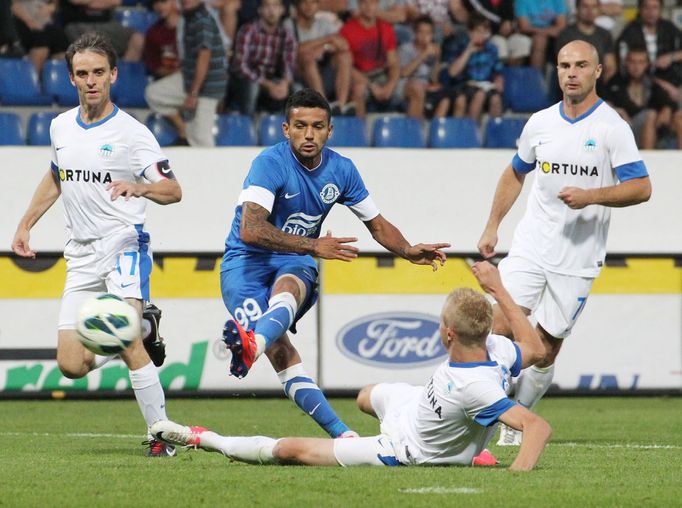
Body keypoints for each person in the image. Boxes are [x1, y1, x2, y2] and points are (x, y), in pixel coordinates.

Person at [152, 262, 552, 471]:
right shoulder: (497, 348)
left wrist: (514, 476)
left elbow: (537, 427)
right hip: (414, 404)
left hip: (403, 448)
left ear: (446, 334)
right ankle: (358, 437)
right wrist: (498, 289)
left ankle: (202, 438)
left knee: (291, 450)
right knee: (365, 397)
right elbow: (535, 350)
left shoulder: (475, 388)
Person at [219, 88, 449, 439]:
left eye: (317, 126)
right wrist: (314, 244)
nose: (308, 135)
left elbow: (377, 224)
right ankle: (344, 435)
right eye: (300, 126)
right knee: (281, 352)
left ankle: (252, 343)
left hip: (294, 260)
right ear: (285, 129)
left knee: (290, 287)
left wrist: (407, 250)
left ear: (330, 130)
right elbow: (251, 230)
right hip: (243, 265)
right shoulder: (269, 163)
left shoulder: (342, 170)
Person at [11, 33, 183, 456]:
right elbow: (56, 176)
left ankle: (160, 437)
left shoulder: (133, 134)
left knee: (123, 340)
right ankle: (144, 328)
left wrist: (140, 188)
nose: (92, 81)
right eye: (83, 73)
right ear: (71, 78)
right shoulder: (60, 127)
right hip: (81, 254)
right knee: (71, 366)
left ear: (114, 76)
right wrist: (25, 224)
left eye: (99, 73)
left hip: (124, 245)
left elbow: (174, 190)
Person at [477, 40, 652, 447]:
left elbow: (642, 187)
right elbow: (515, 172)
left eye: (580, 65)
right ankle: (484, 419)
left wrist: (591, 195)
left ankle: (518, 418)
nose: (570, 73)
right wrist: (492, 226)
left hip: (577, 258)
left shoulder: (612, 127)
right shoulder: (540, 122)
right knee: (498, 327)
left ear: (597, 72)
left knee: (543, 350)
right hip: (530, 246)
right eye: (563, 65)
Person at [145, 0, 228, 146]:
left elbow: (205, 56)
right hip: (189, 81)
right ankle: (182, 130)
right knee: (154, 93)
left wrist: (193, 93)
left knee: (200, 138)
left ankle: (212, 168)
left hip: (208, 87)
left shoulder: (203, 20)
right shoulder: (188, 18)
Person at [605, 46, 682, 149]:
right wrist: (617, 111)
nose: (636, 67)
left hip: (651, 130)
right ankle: (647, 160)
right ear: (626, 62)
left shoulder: (651, 83)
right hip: (624, 130)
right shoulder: (614, 83)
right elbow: (604, 106)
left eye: (641, 62)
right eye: (633, 62)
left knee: (678, 116)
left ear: (647, 64)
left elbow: (668, 101)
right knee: (650, 115)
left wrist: (667, 108)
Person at [284, 0, 353, 115]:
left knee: (345, 56)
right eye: (305, 3)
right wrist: (326, 40)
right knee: (307, 58)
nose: (309, 7)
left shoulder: (324, 22)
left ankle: (341, 106)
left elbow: (343, 45)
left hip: (323, 71)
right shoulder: (289, 24)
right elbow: (296, 49)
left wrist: (323, 48)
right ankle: (324, 106)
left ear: (318, 5)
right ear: (298, 5)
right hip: (299, 75)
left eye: (313, 3)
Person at [228, 0, 297, 116]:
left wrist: (284, 84)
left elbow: (289, 66)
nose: (271, 10)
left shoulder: (287, 35)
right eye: (267, 6)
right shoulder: (248, 30)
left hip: (271, 79)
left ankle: (287, 129)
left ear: (282, 10)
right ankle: (248, 125)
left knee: (297, 89)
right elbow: (240, 66)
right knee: (253, 87)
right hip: (247, 80)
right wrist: (266, 84)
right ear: (260, 10)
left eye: (275, 6)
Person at [340, 0, 401, 117]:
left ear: (378, 5)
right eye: (364, 3)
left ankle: (413, 132)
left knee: (415, 89)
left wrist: (390, 85)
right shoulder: (347, 30)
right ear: (359, 5)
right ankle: (360, 133)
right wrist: (372, 86)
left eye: (373, 3)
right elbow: (348, 69)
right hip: (361, 77)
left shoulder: (386, 28)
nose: (369, 7)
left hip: (383, 75)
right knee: (359, 90)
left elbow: (394, 63)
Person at [617, 0, 682, 105]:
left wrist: (671, 57)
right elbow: (627, 69)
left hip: (673, 80)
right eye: (646, 7)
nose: (650, 12)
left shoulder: (669, 28)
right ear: (640, 9)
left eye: (655, 8)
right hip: (642, 85)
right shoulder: (630, 32)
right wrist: (663, 85)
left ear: (660, 10)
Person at [442, 14, 504, 122]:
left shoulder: (492, 49)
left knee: (496, 99)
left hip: (486, 86)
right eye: (478, 31)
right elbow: (452, 73)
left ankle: (496, 135)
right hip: (465, 86)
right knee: (479, 95)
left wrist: (499, 81)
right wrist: (468, 51)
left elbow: (498, 71)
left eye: (484, 31)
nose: (482, 35)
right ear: (470, 32)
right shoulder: (460, 46)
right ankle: (472, 134)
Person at [556, 0, 617, 86]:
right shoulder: (565, 35)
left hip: (600, 87)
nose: (590, 10)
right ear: (577, 9)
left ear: (599, 9)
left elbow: (610, 67)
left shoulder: (605, 35)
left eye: (594, 7)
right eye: (585, 6)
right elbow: (565, 68)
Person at [515, 0, 568, 69]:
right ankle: (536, 77)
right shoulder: (522, 1)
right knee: (540, 40)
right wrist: (545, 32)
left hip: (552, 34)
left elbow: (561, 26)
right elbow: (524, 27)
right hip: (530, 34)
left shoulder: (558, 1)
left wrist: (546, 32)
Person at [143, 0, 181, 80]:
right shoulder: (153, 33)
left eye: (163, 1)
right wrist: (175, 73)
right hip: (166, 80)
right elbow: (154, 66)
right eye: (155, 3)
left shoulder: (191, 25)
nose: (159, 6)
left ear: (174, 2)